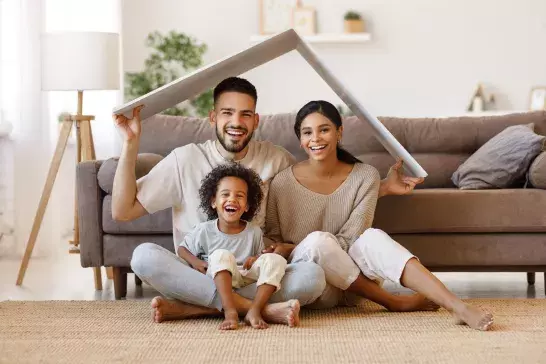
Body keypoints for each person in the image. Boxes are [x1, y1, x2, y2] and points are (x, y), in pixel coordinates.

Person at [112, 77, 422, 323]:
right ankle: (254, 309)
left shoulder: (276, 159)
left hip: (255, 274)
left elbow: (320, 191)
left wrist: (379, 187)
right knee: (144, 257)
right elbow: (123, 210)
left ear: (256, 119)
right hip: (198, 274)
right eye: (227, 113)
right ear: (212, 117)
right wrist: (130, 143)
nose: (237, 121)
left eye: (245, 113)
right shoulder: (184, 160)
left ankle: (200, 307)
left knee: (312, 277)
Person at [265, 100, 494, 331]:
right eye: (307, 132)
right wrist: (287, 250)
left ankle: (457, 306)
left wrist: (292, 247)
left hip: (353, 287)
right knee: (317, 242)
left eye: (324, 129)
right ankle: (393, 302)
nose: (316, 138)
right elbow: (273, 239)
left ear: (339, 132)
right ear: (300, 140)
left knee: (371, 237)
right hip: (313, 283)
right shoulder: (282, 181)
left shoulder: (365, 176)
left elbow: (353, 239)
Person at [179, 163, 298, 330]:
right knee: (221, 254)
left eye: (239, 196)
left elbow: (261, 262)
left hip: (246, 279)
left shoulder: (254, 231)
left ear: (247, 206)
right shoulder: (203, 230)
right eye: (225, 194)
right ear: (214, 201)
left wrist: (256, 259)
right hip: (221, 278)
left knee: (275, 259)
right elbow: (182, 249)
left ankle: (254, 310)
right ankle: (230, 311)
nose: (232, 199)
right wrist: (195, 262)